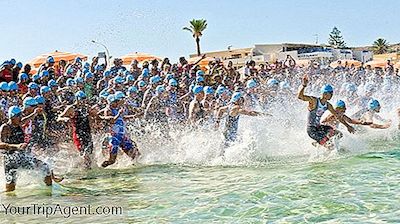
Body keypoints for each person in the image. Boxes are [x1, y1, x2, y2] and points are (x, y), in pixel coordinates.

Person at [0, 106, 62, 192]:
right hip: (10, 160)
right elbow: (0, 144)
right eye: (18, 116)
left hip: (21, 157)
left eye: (20, 115)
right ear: (12, 117)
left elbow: (27, 119)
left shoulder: (19, 123)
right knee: (11, 188)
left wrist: (35, 113)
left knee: (45, 167)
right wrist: (16, 146)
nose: (20, 117)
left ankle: (49, 194)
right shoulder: (5, 127)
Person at [297, 75, 355, 149]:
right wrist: (304, 86)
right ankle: (323, 144)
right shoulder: (314, 101)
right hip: (312, 130)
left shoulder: (328, 105)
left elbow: (337, 116)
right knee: (330, 146)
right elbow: (300, 96)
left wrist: (348, 126)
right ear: (325, 94)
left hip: (319, 127)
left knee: (339, 134)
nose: (332, 95)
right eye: (331, 93)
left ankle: (320, 142)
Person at [100, 92, 140, 168]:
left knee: (135, 154)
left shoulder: (116, 109)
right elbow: (111, 121)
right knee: (112, 161)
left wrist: (135, 116)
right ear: (111, 102)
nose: (118, 103)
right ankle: (100, 168)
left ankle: (132, 168)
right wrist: (118, 113)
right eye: (116, 101)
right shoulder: (108, 110)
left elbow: (123, 117)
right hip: (114, 138)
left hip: (122, 136)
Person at [58, 91, 96, 168]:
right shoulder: (71, 108)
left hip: (87, 133)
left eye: (85, 99)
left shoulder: (86, 107)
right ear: (77, 99)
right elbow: (59, 117)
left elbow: (90, 117)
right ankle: (87, 171)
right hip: (78, 134)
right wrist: (65, 119)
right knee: (84, 154)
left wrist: (93, 126)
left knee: (89, 154)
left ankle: (84, 168)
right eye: (82, 99)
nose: (84, 101)